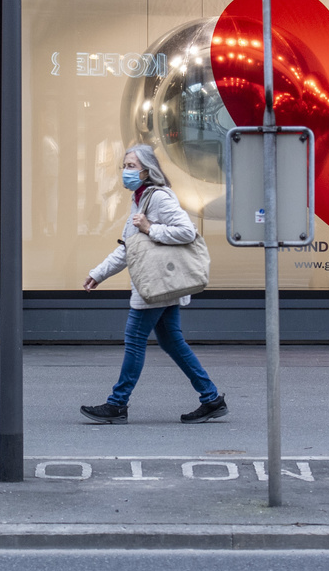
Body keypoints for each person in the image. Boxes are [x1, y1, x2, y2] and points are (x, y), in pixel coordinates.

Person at [80, 144, 227, 425]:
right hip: (160, 284)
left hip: (155, 285)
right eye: (124, 166)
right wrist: (98, 273)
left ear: (148, 170)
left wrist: (151, 229)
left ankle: (117, 404)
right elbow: (129, 249)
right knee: (172, 342)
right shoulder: (139, 200)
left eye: (132, 166)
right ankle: (210, 398)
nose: (126, 171)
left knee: (135, 339)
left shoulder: (157, 197)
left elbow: (187, 231)